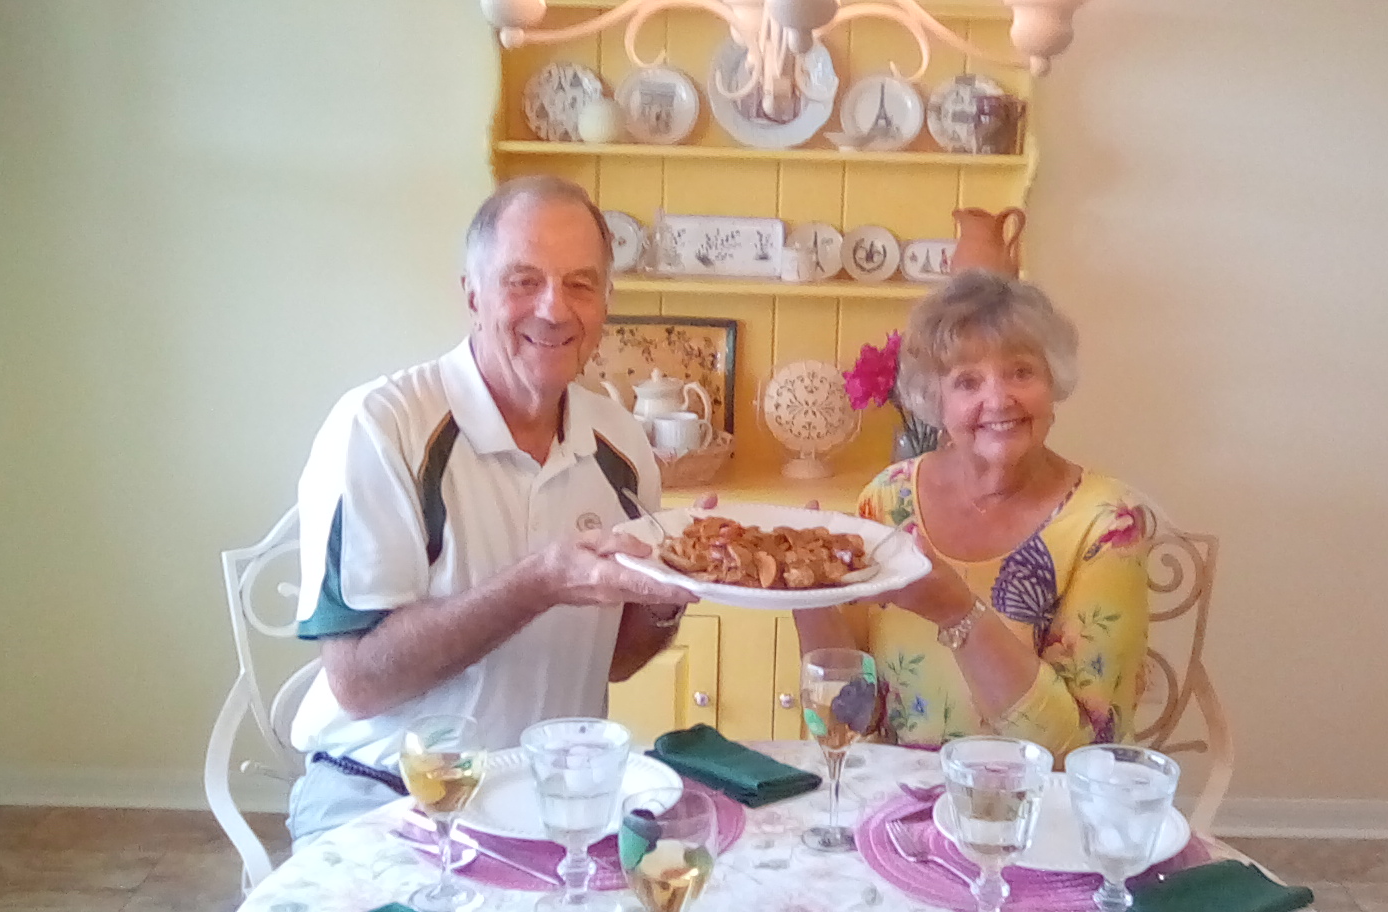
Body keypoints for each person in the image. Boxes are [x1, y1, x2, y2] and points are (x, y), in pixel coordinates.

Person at [285, 176, 698, 847]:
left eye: (581, 284)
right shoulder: (382, 426)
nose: (554, 309)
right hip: (388, 793)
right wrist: (539, 584)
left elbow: (618, 661)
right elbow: (357, 681)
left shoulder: (622, 443)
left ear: (605, 302)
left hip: (554, 802)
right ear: (472, 295)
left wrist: (672, 591)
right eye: (523, 280)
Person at [794, 271, 1155, 759]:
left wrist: (957, 613)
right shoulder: (889, 500)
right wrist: (804, 592)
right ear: (934, 400)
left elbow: (1080, 754)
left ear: (1053, 383)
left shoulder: (1109, 525)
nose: (998, 399)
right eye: (967, 381)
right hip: (902, 801)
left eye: (1021, 372)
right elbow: (855, 715)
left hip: (1040, 815)